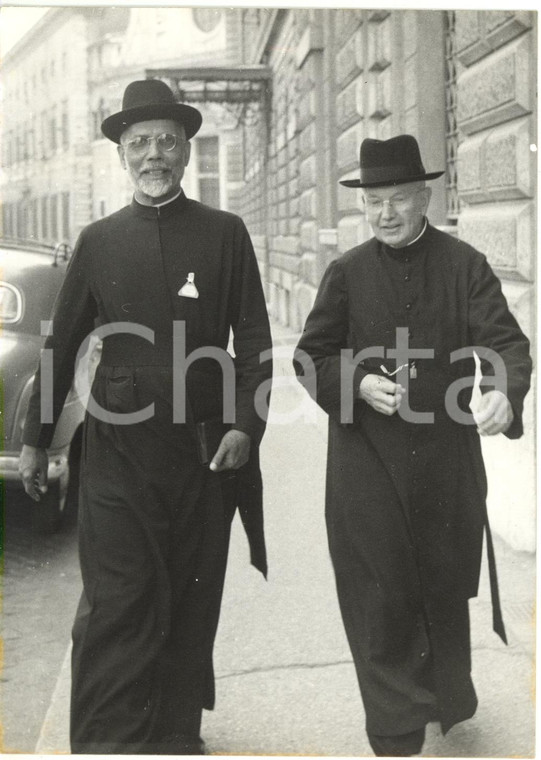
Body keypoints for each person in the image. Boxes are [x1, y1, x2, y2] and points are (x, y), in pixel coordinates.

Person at [19, 79, 273, 755]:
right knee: (118, 598)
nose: (153, 155)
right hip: (117, 453)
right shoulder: (98, 242)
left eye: (166, 141)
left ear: (186, 151)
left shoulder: (224, 233)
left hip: (203, 451)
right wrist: (37, 442)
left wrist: (246, 425)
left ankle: (173, 732)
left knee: (192, 596)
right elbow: (61, 341)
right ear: (122, 156)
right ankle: (107, 740)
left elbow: (251, 342)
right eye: (139, 144)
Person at [294, 135, 532, 757]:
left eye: (399, 199)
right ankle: (396, 732)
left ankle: (440, 701)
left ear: (425, 197)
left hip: (445, 461)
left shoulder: (465, 265)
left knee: (440, 584)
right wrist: (354, 381)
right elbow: (310, 355)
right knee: (380, 588)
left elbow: (507, 344)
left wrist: (504, 392)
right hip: (364, 461)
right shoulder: (345, 273)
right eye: (374, 202)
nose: (386, 214)